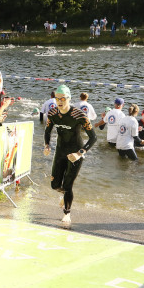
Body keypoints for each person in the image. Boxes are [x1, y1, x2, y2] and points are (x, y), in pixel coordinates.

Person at [43, 85, 97, 227]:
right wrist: (47, 145)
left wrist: (80, 153)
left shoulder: (79, 115)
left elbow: (93, 138)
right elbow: (47, 131)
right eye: (57, 98)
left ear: (69, 98)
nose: (59, 101)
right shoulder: (52, 113)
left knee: (68, 185)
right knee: (55, 185)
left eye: (63, 99)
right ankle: (65, 195)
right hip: (60, 151)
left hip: (75, 153)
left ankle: (67, 213)